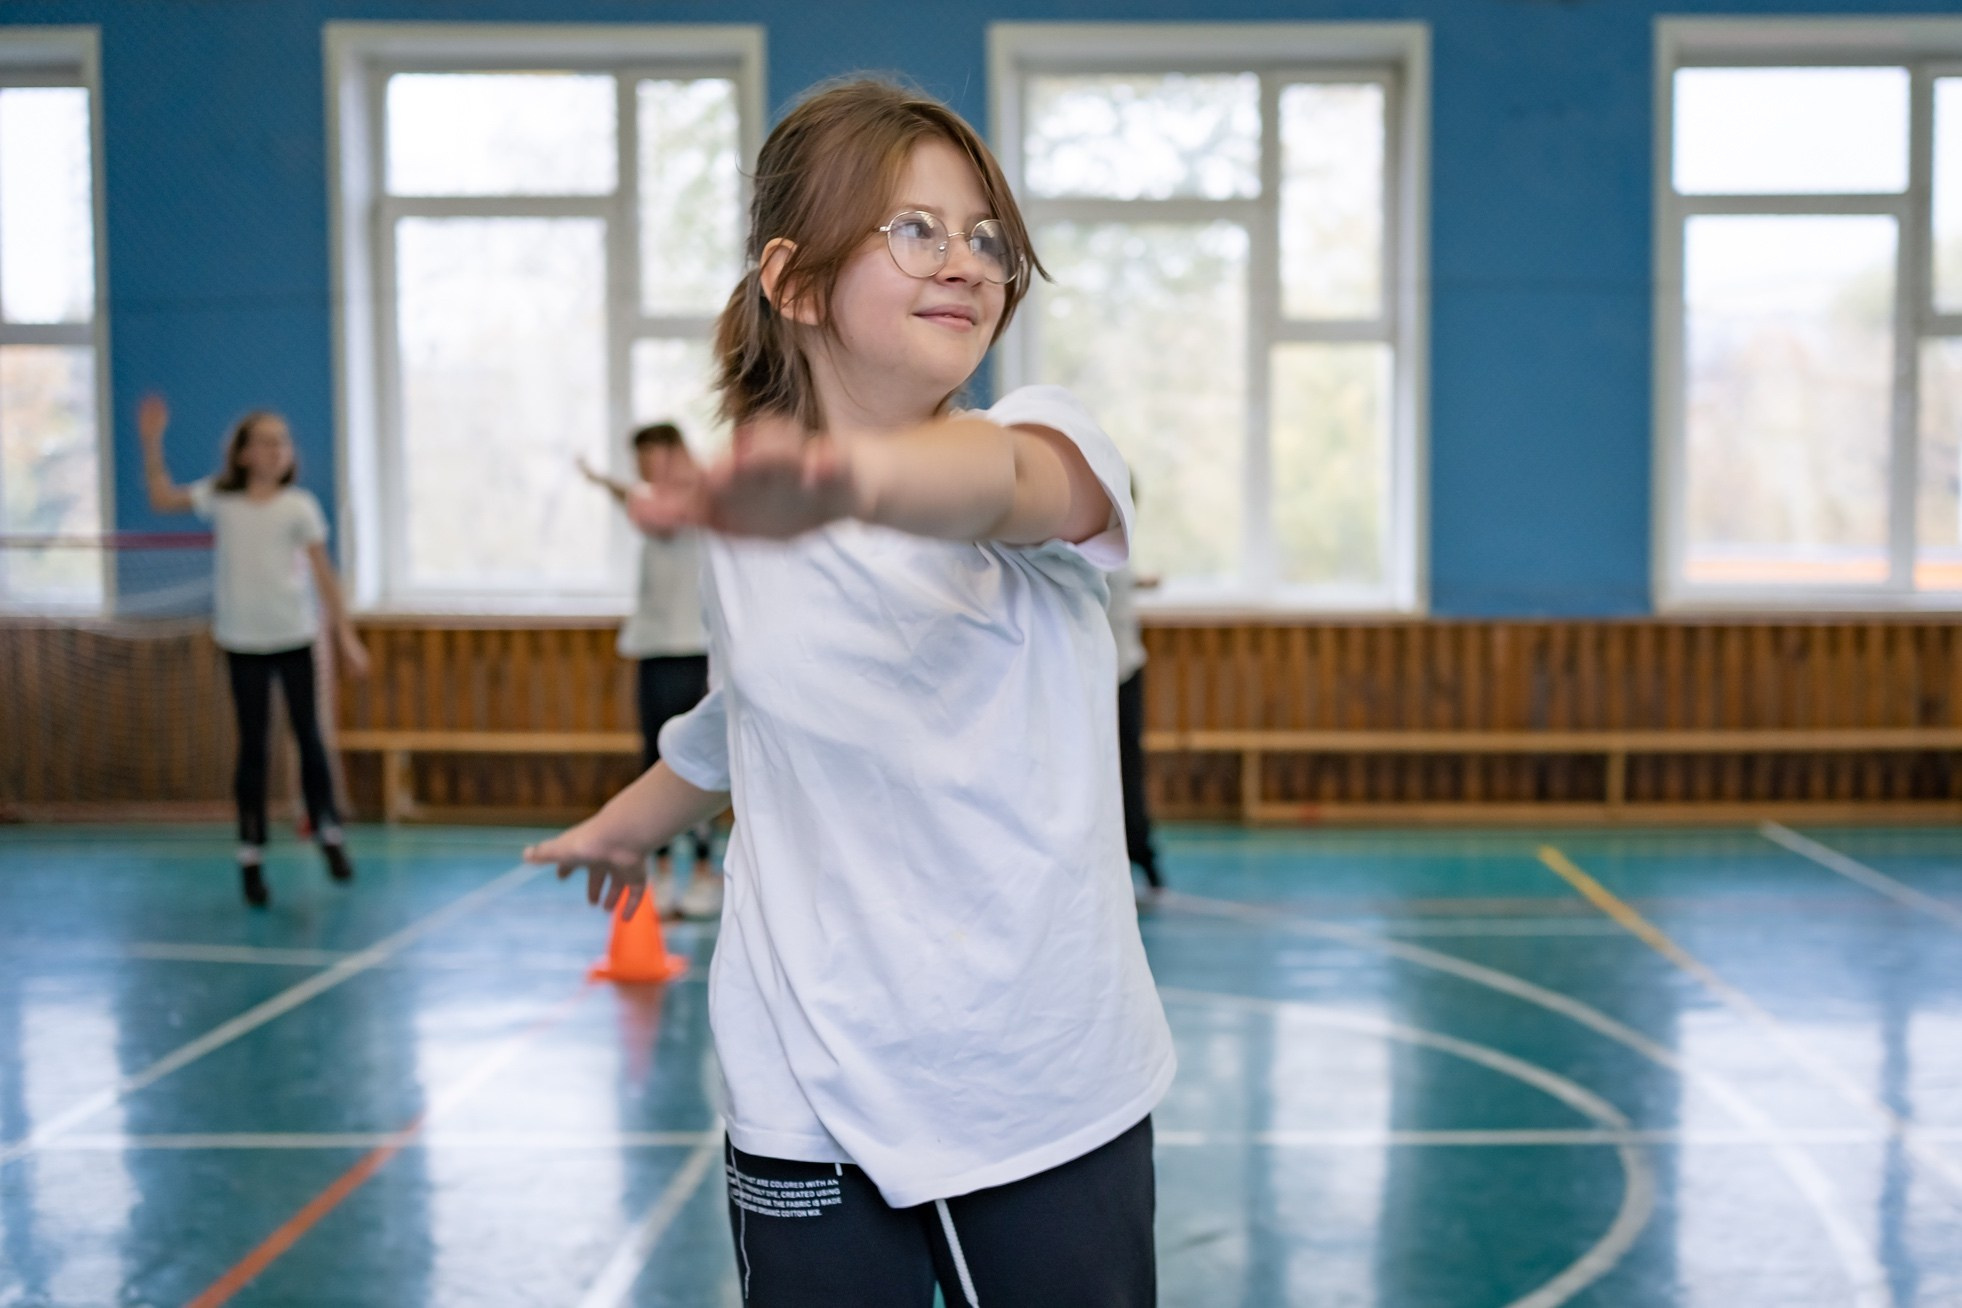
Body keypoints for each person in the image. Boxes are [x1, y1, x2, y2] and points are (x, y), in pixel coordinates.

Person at [525, 79, 1172, 1308]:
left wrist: (845, 481)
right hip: (803, 1083)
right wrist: (626, 823)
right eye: (914, 229)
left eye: (986, 237)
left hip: (1035, 1083)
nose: (966, 260)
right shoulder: (750, 527)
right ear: (796, 280)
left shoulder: (1046, 438)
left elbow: (995, 483)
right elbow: (748, 718)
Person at [139, 395, 369, 907]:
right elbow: (161, 497)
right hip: (242, 642)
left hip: (294, 638)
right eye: (265, 442)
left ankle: (328, 831)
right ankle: (251, 852)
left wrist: (346, 636)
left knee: (309, 737)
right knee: (254, 748)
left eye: (282, 442)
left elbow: (325, 576)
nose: (276, 450)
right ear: (243, 454)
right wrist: (152, 440)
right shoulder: (222, 499)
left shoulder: (299, 506)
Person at [578, 422, 722, 920]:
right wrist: (609, 485)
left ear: (674, 452)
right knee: (654, 759)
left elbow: (657, 515)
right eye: (636, 460)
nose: (640, 469)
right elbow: (644, 506)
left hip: (693, 651)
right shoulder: (653, 497)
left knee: (695, 761)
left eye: (650, 457)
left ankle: (702, 872)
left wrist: (606, 483)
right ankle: (659, 869)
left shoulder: (703, 493)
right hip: (656, 650)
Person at [1107, 560, 1165, 899]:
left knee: (1128, 769)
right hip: (1099, 673)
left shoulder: (1115, 557)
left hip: (1122, 672)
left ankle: (1142, 852)